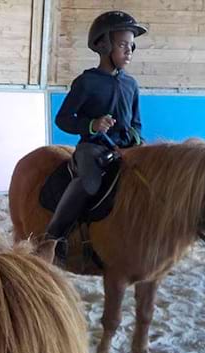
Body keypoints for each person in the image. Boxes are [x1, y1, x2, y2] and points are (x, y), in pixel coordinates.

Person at [46, 11, 147, 265]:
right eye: (123, 45)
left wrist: (137, 141)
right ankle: (54, 235)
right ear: (104, 45)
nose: (129, 51)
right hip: (92, 148)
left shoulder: (131, 85)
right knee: (90, 183)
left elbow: (136, 123)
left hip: (125, 149)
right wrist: (93, 124)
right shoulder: (86, 82)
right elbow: (63, 119)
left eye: (131, 46)